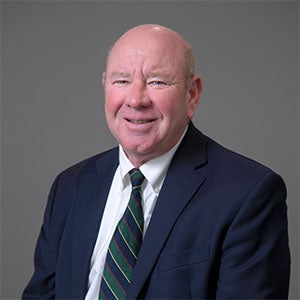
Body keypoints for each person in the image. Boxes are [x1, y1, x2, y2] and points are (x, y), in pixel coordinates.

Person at [22, 24, 290, 299]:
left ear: (192, 94)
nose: (136, 100)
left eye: (157, 82)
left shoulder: (247, 193)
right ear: (105, 86)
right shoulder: (70, 186)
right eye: (122, 81)